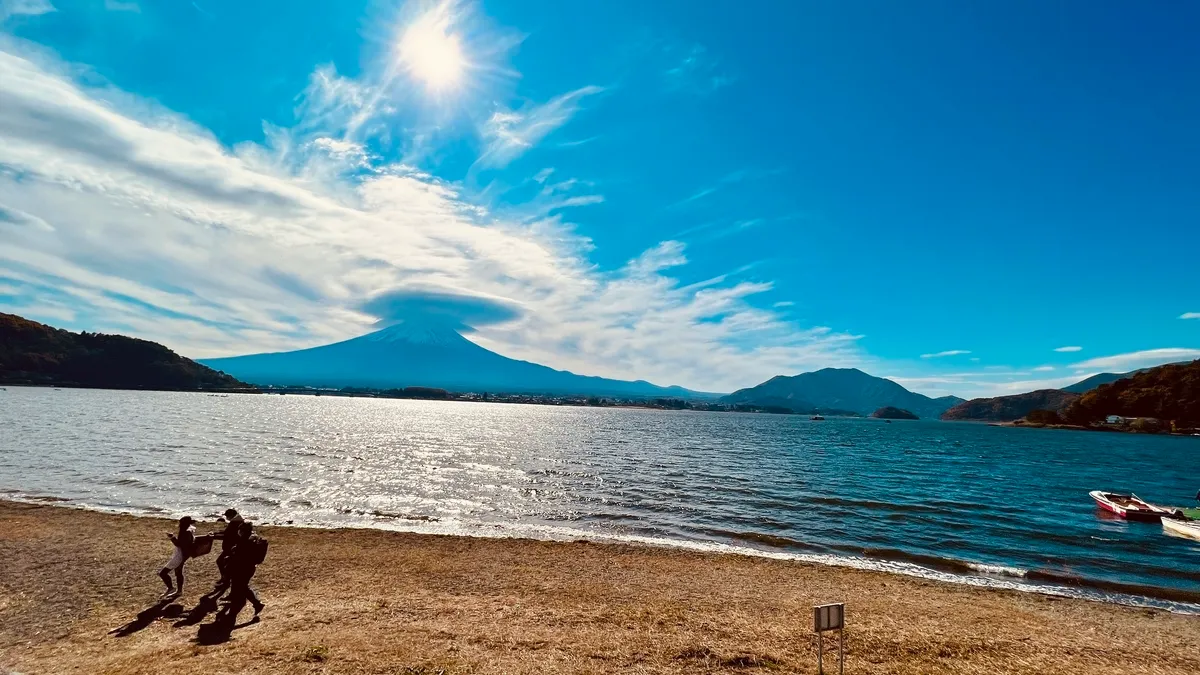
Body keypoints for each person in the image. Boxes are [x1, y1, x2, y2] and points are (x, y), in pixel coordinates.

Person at [217, 521, 266, 622]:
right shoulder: (253, 538)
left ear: (242, 531)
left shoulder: (244, 541)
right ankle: (255, 604)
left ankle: (254, 604)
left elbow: (237, 556)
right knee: (243, 586)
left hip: (241, 568)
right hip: (249, 568)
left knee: (240, 587)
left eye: (240, 530)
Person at [209, 508, 244, 595]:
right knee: (226, 564)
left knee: (221, 562)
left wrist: (214, 536)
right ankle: (225, 580)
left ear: (230, 516)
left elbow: (228, 536)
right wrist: (218, 533)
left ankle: (225, 580)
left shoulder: (234, 523)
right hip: (232, 547)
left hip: (230, 548)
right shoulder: (237, 522)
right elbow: (228, 533)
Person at [159, 516, 196, 597]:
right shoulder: (190, 530)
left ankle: (171, 588)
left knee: (163, 573)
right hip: (183, 554)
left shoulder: (185, 532)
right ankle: (179, 591)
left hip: (180, 555)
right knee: (178, 572)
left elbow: (179, 544)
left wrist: (172, 537)